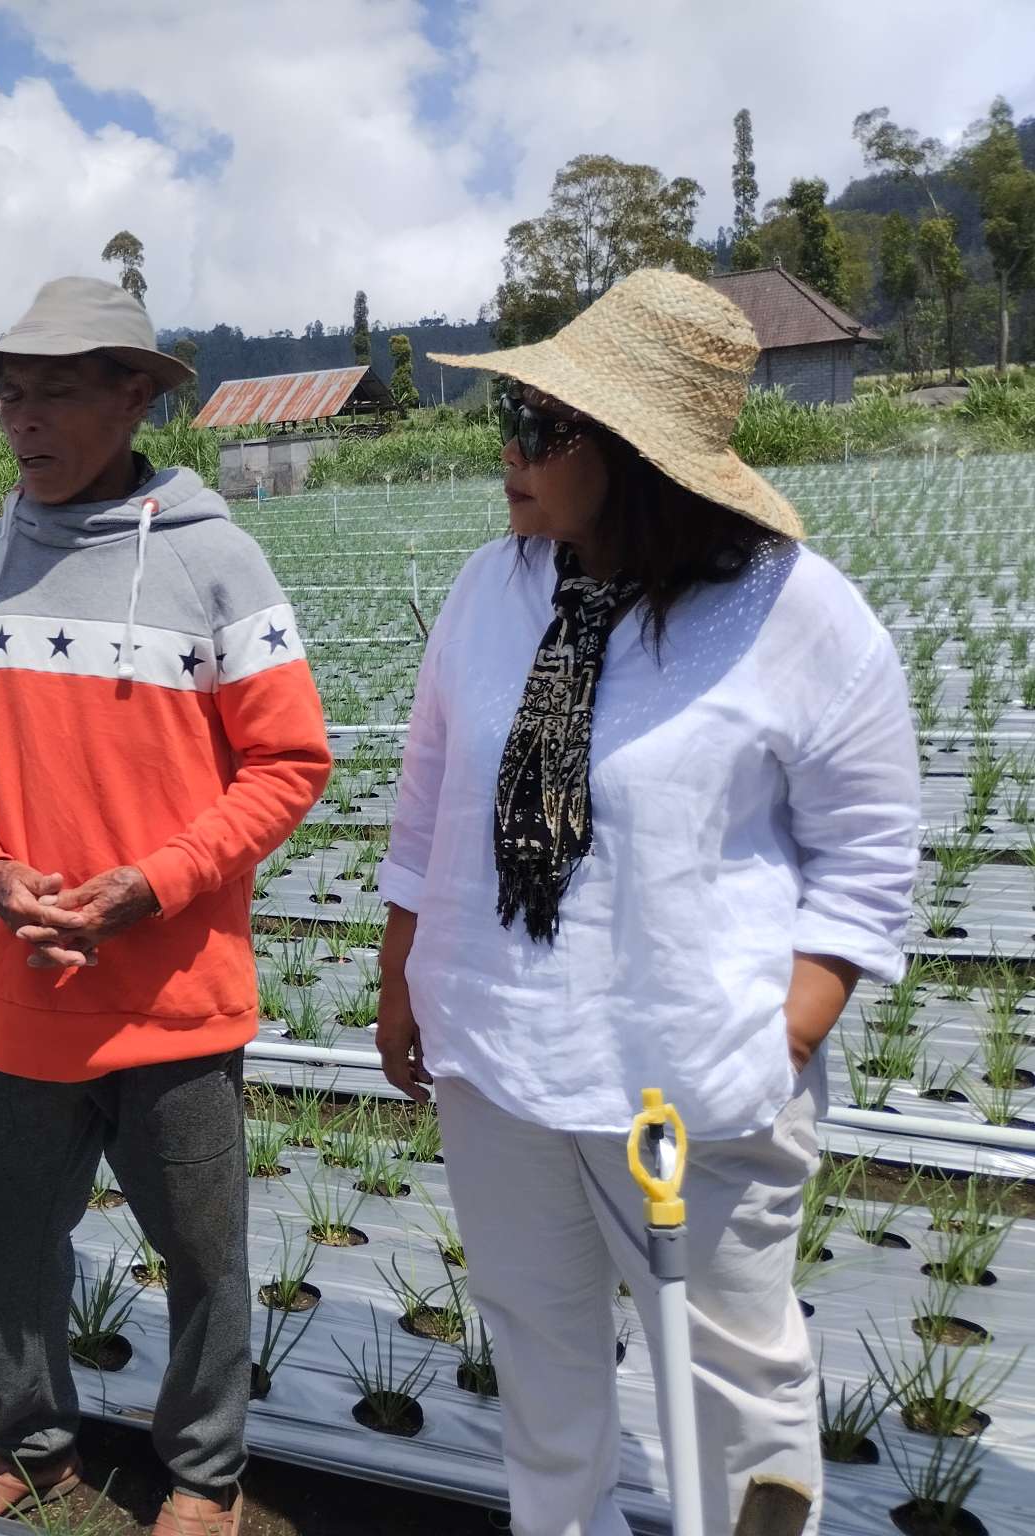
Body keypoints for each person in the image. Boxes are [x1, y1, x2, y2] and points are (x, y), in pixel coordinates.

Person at [377, 270, 920, 1536]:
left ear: (637, 458)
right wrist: (407, 972)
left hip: (695, 1080)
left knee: (733, 1378)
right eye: (507, 418)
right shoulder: (492, 587)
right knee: (541, 1363)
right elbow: (428, 797)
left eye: (541, 430)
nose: (508, 454)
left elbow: (870, 856)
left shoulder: (797, 616)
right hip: (502, 1058)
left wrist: (781, 1035)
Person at [0, 277, 332, 1535]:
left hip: (177, 1000)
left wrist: (154, 885)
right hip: (18, 994)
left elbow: (291, 761)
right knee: (7, 1245)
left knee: (203, 1257)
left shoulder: (213, 559)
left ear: (134, 394)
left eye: (55, 392)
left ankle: (203, 1473)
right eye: (8, 396)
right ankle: (33, 1440)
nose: (23, 419)